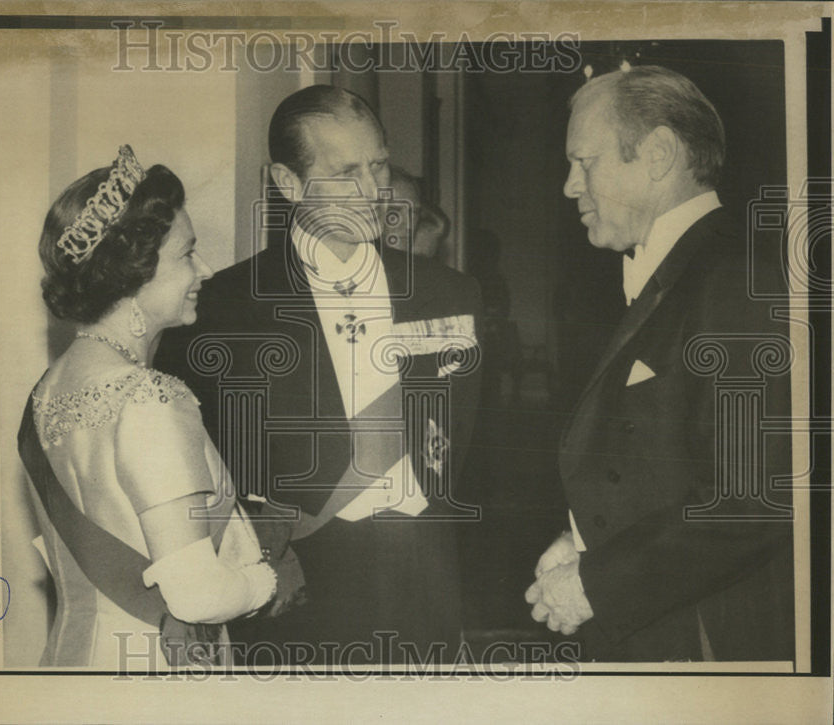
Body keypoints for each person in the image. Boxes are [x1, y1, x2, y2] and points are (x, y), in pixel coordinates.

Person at [156, 86, 483, 665]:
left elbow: (457, 449)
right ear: (288, 184)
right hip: (298, 599)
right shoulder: (222, 309)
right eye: (346, 172)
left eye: (379, 164)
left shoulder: (449, 293)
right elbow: (196, 470)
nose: (375, 191)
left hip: (426, 589)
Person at [525, 66, 794, 661]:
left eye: (584, 162)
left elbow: (750, 500)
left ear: (658, 154)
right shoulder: (679, 269)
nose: (570, 186)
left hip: (712, 635)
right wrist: (580, 541)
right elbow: (659, 461)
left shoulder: (736, 278)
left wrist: (597, 583)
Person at [18, 145, 281, 669]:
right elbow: (197, 596)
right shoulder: (150, 397)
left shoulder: (45, 392)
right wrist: (262, 579)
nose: (204, 270)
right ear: (132, 274)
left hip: (70, 663)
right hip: (153, 674)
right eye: (187, 254)